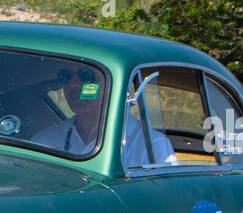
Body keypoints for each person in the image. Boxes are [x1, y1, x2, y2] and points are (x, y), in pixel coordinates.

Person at [32, 68, 177, 168]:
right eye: (66, 76)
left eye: (87, 76)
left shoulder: (150, 144)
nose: (74, 84)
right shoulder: (44, 141)